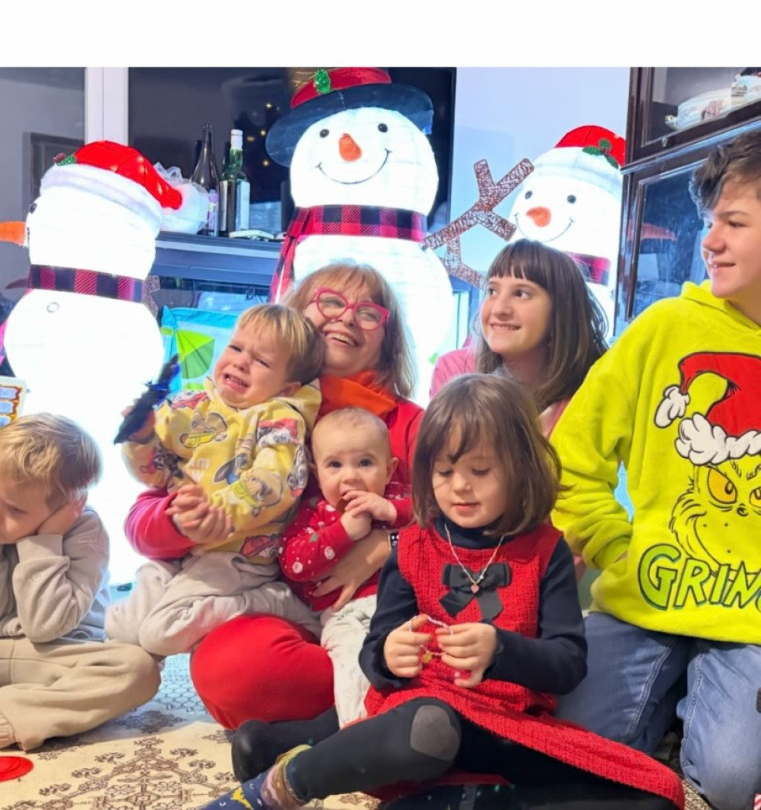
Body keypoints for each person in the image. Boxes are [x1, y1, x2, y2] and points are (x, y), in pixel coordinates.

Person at [202, 374, 684, 810]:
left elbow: (568, 664)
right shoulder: (412, 547)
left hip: (511, 727)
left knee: (657, 792)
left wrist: (500, 650)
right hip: (423, 718)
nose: (460, 488)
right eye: (445, 472)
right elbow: (375, 655)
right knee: (430, 729)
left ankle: (456, 799)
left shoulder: (546, 550)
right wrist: (389, 655)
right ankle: (281, 785)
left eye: (480, 471)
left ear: (519, 469)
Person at [550, 129, 761, 810]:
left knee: (731, 781)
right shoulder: (663, 328)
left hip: (752, 623)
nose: (710, 242)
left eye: (734, 223)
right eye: (710, 223)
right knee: (563, 744)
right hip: (644, 596)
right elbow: (571, 462)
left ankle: (677, 731)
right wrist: (616, 545)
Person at [123, 261, 424, 729]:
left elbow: (463, 523)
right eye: (330, 302)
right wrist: (183, 521)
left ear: (389, 339)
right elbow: (145, 515)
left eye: (368, 313)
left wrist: (387, 547)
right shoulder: (238, 405)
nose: (346, 317)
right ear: (297, 314)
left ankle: (359, 709)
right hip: (273, 598)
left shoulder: (414, 424)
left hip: (375, 612)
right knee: (230, 669)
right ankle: (370, 705)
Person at [106, 303, 325, 657]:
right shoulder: (190, 405)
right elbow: (156, 474)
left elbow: (274, 481)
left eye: (261, 361)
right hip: (181, 549)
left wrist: (216, 512)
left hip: (236, 557)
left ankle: (274, 601)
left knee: (161, 634)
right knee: (123, 628)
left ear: (288, 387)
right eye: (236, 348)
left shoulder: (280, 419)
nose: (240, 363)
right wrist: (141, 438)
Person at [0, 413, 160, 759]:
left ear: (62, 511)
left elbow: (44, 627)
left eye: (15, 509)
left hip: (50, 660)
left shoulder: (85, 533)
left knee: (138, 668)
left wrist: (46, 540)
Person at [279, 406, 412, 727]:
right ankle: (358, 729)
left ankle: (415, 721)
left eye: (365, 463)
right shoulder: (315, 514)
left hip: (404, 606)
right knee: (352, 662)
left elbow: (435, 522)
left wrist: (393, 512)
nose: (350, 476)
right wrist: (342, 532)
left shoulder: (397, 499)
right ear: (316, 473)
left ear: (389, 470)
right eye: (335, 465)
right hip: (345, 615)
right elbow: (294, 564)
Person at [431, 238, 608, 438]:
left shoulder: (593, 392)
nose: (499, 309)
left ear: (561, 311)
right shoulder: (454, 371)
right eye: (492, 291)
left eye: (521, 294)